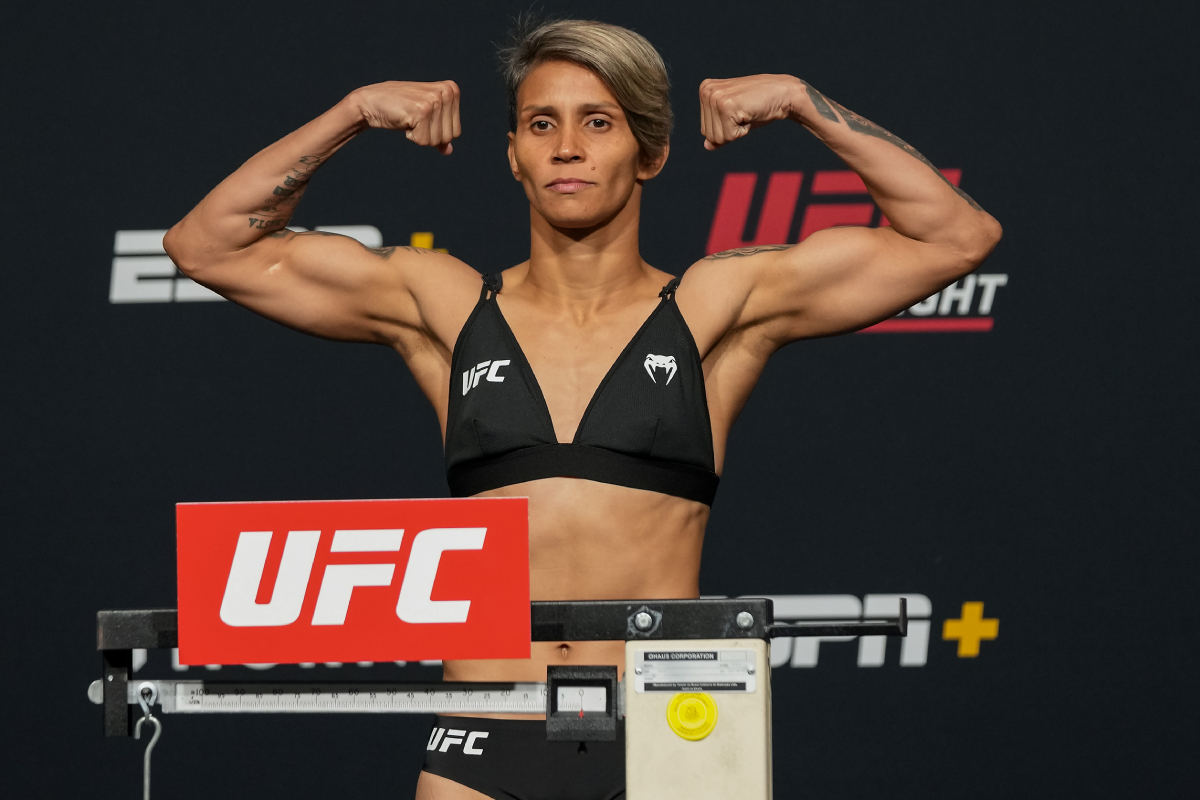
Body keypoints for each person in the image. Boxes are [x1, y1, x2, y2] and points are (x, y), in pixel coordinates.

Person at [163, 18, 1001, 800]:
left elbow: (956, 236)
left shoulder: (716, 306)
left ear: (651, 153)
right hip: (486, 731)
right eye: (541, 124)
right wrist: (352, 112)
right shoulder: (445, 307)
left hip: (671, 728)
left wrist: (799, 100)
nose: (567, 147)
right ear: (513, 156)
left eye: (599, 122)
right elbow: (206, 245)